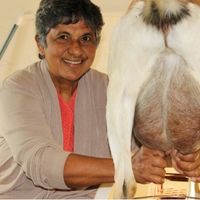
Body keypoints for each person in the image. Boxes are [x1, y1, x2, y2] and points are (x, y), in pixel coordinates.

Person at [0, 0, 199, 199]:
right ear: (41, 44)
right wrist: (125, 168)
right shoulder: (18, 87)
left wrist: (185, 158)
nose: (76, 50)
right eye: (63, 37)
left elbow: (144, 153)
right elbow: (42, 163)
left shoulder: (105, 87)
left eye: (86, 38)